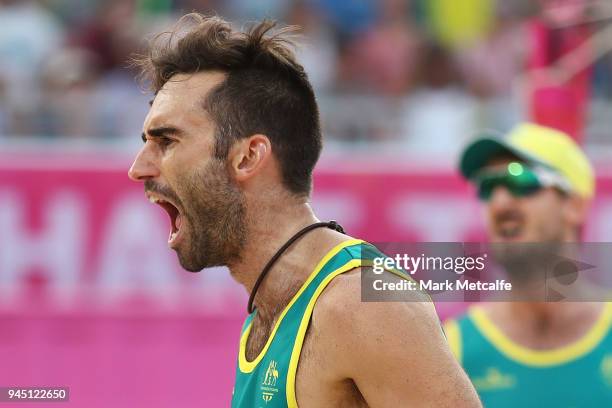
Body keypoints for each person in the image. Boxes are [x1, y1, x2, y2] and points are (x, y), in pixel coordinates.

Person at [128, 13, 480, 408]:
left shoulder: (359, 305)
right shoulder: (269, 309)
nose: (138, 167)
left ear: (247, 157)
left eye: (167, 140)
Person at [445, 122, 612, 407]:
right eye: (487, 187)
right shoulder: (451, 349)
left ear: (574, 205)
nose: (499, 203)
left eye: (520, 180)